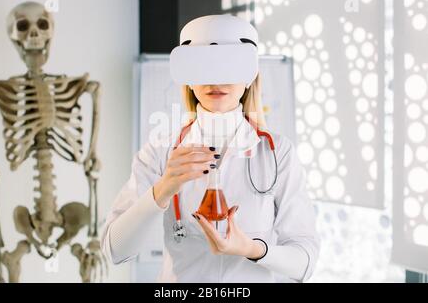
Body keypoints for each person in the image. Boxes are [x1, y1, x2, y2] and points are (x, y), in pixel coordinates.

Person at [101, 15, 320, 282]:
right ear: (188, 79)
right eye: (202, 66)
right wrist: (163, 188)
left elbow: (305, 263)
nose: (216, 80)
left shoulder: (277, 153)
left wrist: (251, 249)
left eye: (230, 65)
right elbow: (115, 250)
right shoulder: (161, 150)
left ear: (250, 76)